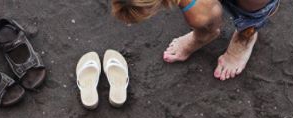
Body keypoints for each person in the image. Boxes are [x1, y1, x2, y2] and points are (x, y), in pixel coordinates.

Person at [109, 0, 279, 82]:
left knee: (253, 10)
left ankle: (245, 37)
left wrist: (205, 32)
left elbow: (212, 16)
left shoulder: (197, 12)